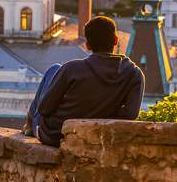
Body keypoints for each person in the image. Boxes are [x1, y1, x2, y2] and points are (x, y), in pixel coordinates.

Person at [26, 15, 145, 147]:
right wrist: (103, 112)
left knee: (54, 69)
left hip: (54, 135)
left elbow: (44, 109)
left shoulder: (72, 69)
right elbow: (131, 114)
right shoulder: (134, 74)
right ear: (116, 40)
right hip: (96, 138)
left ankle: (30, 126)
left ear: (88, 45)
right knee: (56, 70)